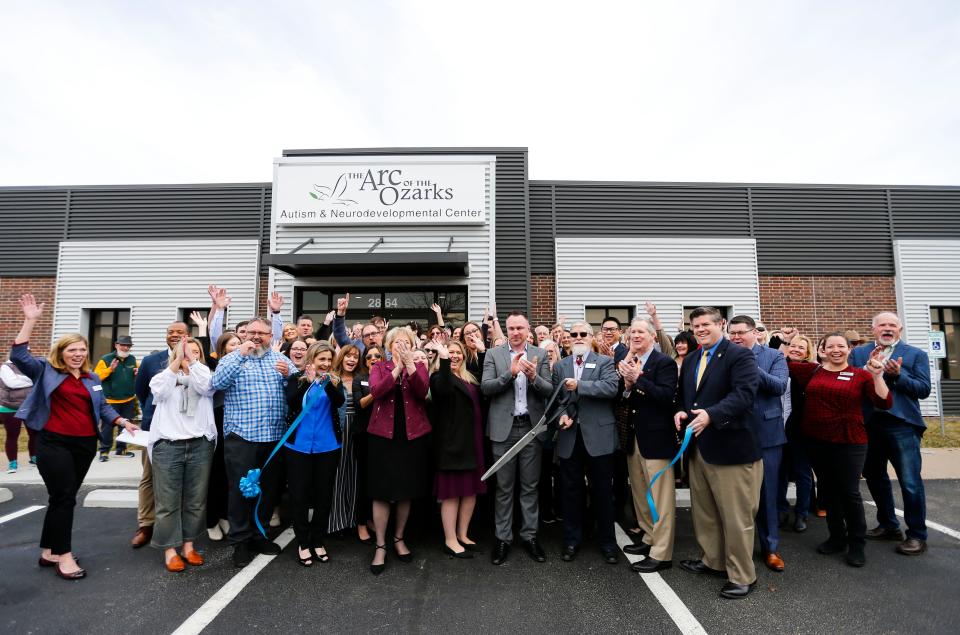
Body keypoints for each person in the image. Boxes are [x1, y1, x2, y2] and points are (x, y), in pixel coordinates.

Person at [11, 294, 138, 580]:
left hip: (84, 445)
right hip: (54, 443)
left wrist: (122, 421)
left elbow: (102, 406)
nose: (78, 354)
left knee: (60, 498)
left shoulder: (92, 378)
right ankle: (64, 555)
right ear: (61, 352)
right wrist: (30, 321)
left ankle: (49, 551)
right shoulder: (46, 370)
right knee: (65, 498)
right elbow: (18, 355)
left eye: (82, 349)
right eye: (72, 350)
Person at [783, 331, 892, 566]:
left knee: (849, 493)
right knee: (827, 490)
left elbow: (884, 402)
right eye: (829, 346)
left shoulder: (860, 375)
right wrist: (784, 340)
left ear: (849, 349)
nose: (835, 350)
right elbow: (779, 359)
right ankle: (836, 537)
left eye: (840, 346)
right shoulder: (810, 371)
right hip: (816, 441)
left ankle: (857, 544)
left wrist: (877, 375)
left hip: (849, 441)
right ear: (821, 350)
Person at [675, 306, 760, 600]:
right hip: (699, 448)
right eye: (695, 325)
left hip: (731, 449)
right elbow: (688, 397)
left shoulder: (740, 355)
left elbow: (744, 394)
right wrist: (681, 412)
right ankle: (713, 560)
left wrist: (711, 414)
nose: (700, 329)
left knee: (736, 517)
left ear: (721, 324)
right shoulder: (692, 358)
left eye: (706, 325)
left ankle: (741, 575)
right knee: (705, 512)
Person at [211, 316, 293, 567]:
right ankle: (240, 541)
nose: (257, 337)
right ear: (245, 334)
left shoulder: (280, 359)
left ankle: (260, 534)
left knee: (268, 491)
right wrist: (240, 355)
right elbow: (217, 383)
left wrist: (290, 374)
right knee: (240, 491)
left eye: (263, 333)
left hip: (274, 438)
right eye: (253, 332)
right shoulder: (232, 358)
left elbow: (299, 385)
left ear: (271, 337)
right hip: (242, 438)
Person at [851, 312, 932, 556]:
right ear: (874, 329)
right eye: (882, 325)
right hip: (869, 424)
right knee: (875, 477)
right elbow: (853, 382)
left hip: (901, 425)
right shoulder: (859, 353)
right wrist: (866, 372)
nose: (887, 329)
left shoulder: (915, 355)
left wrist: (899, 376)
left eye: (892, 325)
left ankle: (917, 535)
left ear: (900, 329)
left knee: (909, 481)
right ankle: (888, 525)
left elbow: (923, 389)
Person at [481, 311, 553, 566]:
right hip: (503, 430)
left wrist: (533, 377)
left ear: (528, 329)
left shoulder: (540, 354)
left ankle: (530, 536)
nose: (515, 332)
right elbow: (486, 387)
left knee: (530, 486)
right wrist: (509, 374)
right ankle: (502, 538)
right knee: (503, 487)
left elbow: (549, 390)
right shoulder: (493, 354)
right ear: (506, 330)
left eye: (520, 328)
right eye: (511, 328)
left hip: (531, 428)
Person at [552, 321, 620, 565]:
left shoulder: (604, 362)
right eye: (574, 334)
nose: (578, 337)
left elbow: (611, 388)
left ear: (592, 338)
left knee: (602, 491)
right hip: (571, 437)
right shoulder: (561, 365)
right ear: (569, 339)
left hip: (599, 437)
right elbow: (557, 398)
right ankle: (572, 540)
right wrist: (561, 413)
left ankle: (608, 543)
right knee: (571, 492)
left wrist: (580, 385)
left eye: (583, 334)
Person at [147, 337, 217, 572]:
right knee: (167, 503)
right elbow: (158, 390)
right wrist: (177, 362)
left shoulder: (203, 376)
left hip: (199, 445)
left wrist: (194, 363)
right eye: (185, 351)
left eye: (195, 351)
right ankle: (170, 550)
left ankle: (188, 546)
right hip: (169, 447)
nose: (190, 354)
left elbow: (207, 386)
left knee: (195, 501)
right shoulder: (164, 378)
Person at [366, 327, 432, 575]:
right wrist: (396, 368)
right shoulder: (378, 367)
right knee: (382, 492)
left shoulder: (419, 366)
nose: (402, 346)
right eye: (397, 342)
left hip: (411, 435)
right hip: (383, 436)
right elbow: (377, 391)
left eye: (407, 342)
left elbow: (422, 391)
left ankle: (399, 538)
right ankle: (381, 544)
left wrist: (410, 366)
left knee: (406, 490)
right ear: (389, 345)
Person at [727, 315, 788, 573]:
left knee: (767, 494)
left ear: (755, 333)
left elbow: (778, 387)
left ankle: (770, 547)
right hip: (733, 434)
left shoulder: (774, 357)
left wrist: (751, 365)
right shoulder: (724, 357)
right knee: (735, 498)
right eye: (733, 333)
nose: (737, 337)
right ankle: (736, 549)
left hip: (767, 435)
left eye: (742, 332)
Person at [618, 319, 680, 572]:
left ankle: (662, 553)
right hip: (634, 438)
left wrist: (639, 379)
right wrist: (627, 385)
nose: (635, 335)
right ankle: (648, 537)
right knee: (641, 493)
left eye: (641, 332)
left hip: (656, 439)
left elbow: (667, 397)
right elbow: (624, 399)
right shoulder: (629, 362)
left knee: (660, 498)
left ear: (653, 337)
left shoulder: (663, 362)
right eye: (632, 332)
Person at [284, 343, 344, 565]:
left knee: (323, 496)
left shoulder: (334, 381)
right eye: (322, 360)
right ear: (312, 359)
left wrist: (325, 381)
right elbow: (291, 402)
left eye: (329, 360)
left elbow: (339, 401)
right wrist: (308, 383)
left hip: (328, 447)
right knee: (299, 495)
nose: (326, 364)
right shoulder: (296, 379)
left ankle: (318, 539)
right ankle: (302, 542)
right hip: (298, 448)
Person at [132, 321, 191, 549]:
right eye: (170, 332)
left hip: (183, 427)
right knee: (149, 477)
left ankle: (178, 526)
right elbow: (141, 391)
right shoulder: (150, 361)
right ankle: (146, 524)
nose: (174, 335)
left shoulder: (194, 358)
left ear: (188, 336)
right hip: (154, 427)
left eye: (179, 332)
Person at [430, 340, 487, 558]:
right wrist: (443, 359)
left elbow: (485, 381)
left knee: (470, 491)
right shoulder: (438, 376)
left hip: (473, 441)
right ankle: (450, 539)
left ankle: (463, 534)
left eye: (457, 353)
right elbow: (443, 390)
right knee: (452, 493)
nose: (454, 356)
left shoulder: (469, 378)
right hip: (451, 443)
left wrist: (481, 352)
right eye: (450, 353)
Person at [776, 332, 819, 531]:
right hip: (778, 427)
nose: (795, 349)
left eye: (801, 347)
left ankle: (802, 513)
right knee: (780, 472)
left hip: (801, 430)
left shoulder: (812, 371)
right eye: (793, 345)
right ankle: (781, 510)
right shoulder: (779, 367)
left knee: (803, 473)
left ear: (807, 352)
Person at [204, 331, 239, 541]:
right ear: (223, 348)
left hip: (236, 422)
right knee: (215, 473)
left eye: (238, 343)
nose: (236, 347)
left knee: (229, 474)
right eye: (231, 344)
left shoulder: (246, 364)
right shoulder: (215, 366)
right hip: (217, 419)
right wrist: (216, 311)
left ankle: (225, 515)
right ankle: (211, 520)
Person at [328, 344, 363, 535]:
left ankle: (353, 520)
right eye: (348, 356)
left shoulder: (361, 379)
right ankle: (336, 522)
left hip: (356, 430)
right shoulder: (333, 378)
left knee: (354, 474)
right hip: (338, 430)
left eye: (355, 357)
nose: (351, 360)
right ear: (341, 357)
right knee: (338, 475)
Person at [352, 344, 384, 544]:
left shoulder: (387, 376)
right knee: (363, 480)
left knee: (377, 481)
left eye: (378, 355)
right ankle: (361, 522)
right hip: (363, 435)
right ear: (365, 361)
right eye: (369, 356)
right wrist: (378, 390)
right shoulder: (360, 379)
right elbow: (360, 404)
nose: (374, 358)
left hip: (382, 436)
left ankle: (372, 519)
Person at [93, 335, 138, 462]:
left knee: (125, 426)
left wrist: (137, 373)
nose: (126, 347)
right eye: (123, 345)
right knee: (107, 427)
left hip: (128, 399)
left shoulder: (132, 359)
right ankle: (104, 452)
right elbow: (96, 377)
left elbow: (136, 372)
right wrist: (109, 370)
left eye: (128, 346)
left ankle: (121, 449)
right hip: (110, 401)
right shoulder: (106, 359)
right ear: (116, 345)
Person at [2, 356, 35, 473]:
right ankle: (12, 462)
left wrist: (24, 379)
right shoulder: (6, 367)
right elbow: (12, 383)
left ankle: (34, 457)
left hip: (29, 404)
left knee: (34, 432)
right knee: (13, 434)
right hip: (9, 406)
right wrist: (31, 380)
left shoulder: (31, 366)